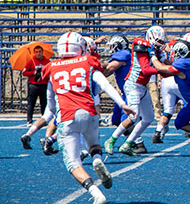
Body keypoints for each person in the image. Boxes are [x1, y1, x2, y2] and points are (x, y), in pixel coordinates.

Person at [45, 31, 135, 204]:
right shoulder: (87, 61)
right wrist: (122, 104)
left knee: (73, 163)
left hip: (67, 116)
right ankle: (97, 159)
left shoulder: (52, 67)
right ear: (80, 47)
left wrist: (55, 116)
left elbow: (50, 102)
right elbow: (104, 84)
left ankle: (96, 193)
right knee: (93, 145)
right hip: (89, 112)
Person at [104, 25, 166, 156]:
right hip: (133, 85)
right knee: (133, 116)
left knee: (148, 118)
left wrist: (171, 67)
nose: (161, 44)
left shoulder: (155, 51)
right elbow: (145, 70)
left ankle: (128, 143)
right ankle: (111, 140)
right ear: (152, 38)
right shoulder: (142, 47)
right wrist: (164, 70)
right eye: (160, 41)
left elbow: (165, 64)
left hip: (142, 87)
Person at [23, 45, 51, 127]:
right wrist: (32, 73)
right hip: (33, 85)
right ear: (34, 53)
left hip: (44, 84)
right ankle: (29, 120)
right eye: (36, 52)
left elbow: (50, 71)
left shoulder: (47, 61)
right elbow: (24, 73)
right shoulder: (31, 62)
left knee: (44, 103)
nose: (38, 54)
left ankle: (44, 119)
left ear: (42, 52)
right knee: (31, 103)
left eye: (40, 52)